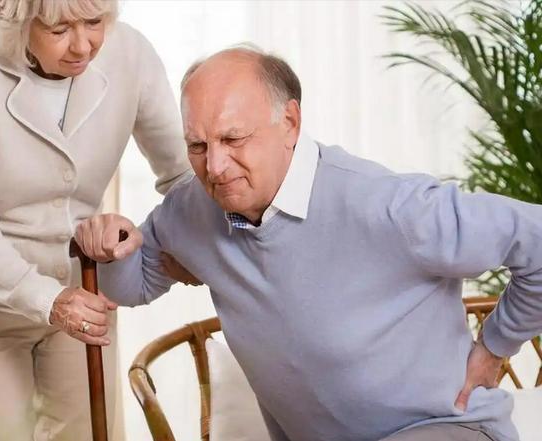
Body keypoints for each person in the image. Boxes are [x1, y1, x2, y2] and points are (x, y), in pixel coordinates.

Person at [75, 46, 542, 441]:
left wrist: (496, 345)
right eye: (197, 146)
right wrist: (113, 245)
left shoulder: (390, 206)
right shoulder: (195, 208)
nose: (214, 166)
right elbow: (131, 286)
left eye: (233, 138)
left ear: (290, 122)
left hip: (444, 427)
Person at [0, 0, 192, 439]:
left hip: (81, 285)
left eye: (94, 22)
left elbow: (181, 174)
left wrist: (191, 249)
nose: (82, 45)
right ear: (18, 23)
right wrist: (49, 300)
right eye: (59, 29)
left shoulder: (131, 55)